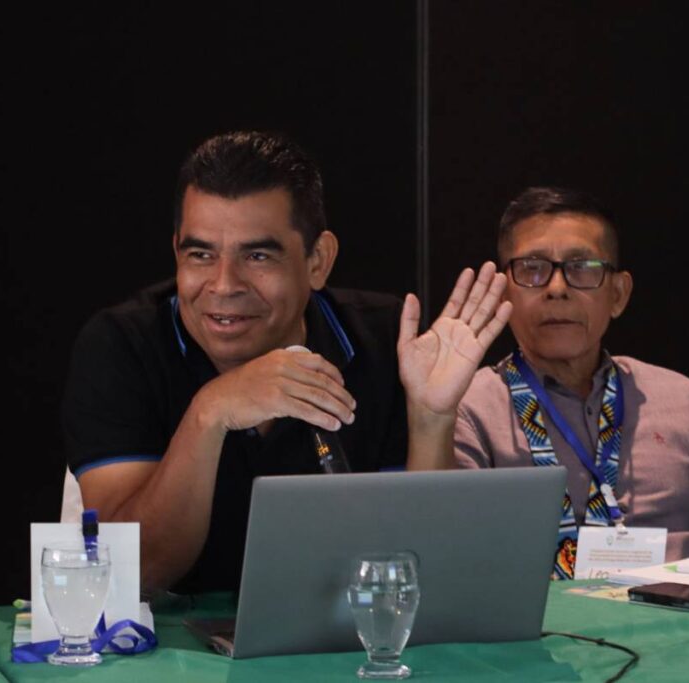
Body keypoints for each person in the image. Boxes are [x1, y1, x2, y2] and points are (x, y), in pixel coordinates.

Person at [63, 131, 511, 592]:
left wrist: (432, 418)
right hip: (170, 653)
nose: (223, 285)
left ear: (318, 261)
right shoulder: (122, 345)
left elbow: (420, 569)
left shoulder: (386, 339)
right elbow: (133, 573)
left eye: (257, 255)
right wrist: (210, 412)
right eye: (200, 254)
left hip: (338, 645)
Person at [454, 187, 689, 578]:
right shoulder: (471, 408)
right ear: (503, 291)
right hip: (539, 632)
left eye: (582, 267)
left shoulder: (684, 401)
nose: (556, 288)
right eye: (532, 268)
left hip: (676, 628)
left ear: (618, 294)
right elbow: (450, 563)